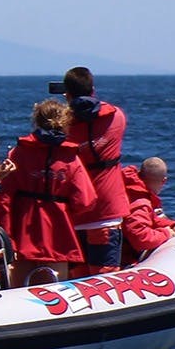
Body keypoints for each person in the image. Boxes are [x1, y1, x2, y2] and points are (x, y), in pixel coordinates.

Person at [2, 99, 97, 287]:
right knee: (55, 289)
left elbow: (4, 196)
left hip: (22, 230)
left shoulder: (18, 153)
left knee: (18, 289)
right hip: (58, 231)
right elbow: (85, 201)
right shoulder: (70, 158)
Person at [62, 66, 130, 276]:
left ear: (67, 94)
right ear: (93, 90)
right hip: (107, 211)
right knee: (104, 277)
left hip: (74, 214)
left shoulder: (62, 126)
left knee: (76, 279)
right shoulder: (116, 117)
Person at [122, 157, 175, 263]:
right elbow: (141, 239)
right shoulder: (141, 203)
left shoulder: (129, 188)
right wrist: (166, 233)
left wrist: (172, 225)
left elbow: (151, 217)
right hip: (122, 259)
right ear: (164, 181)